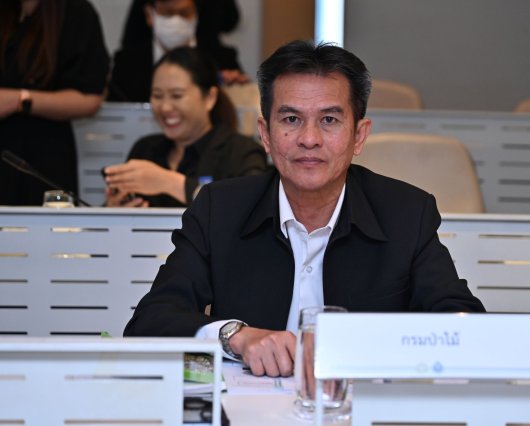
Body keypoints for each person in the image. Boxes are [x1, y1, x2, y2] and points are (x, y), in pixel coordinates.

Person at [124, 40, 485, 376]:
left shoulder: (406, 213)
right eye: (291, 119)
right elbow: (150, 321)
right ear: (265, 134)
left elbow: (464, 322)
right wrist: (235, 336)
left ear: (359, 135)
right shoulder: (220, 209)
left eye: (329, 120)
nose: (309, 139)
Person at [104, 46, 267, 208]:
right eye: (157, 95)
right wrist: (113, 209)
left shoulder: (242, 152)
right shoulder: (145, 149)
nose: (165, 107)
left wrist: (170, 183)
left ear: (210, 97)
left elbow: (249, 209)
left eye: (177, 95)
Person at [0, 0, 110, 206]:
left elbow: (90, 98)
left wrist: (19, 100)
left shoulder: (75, 13)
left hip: (45, 153)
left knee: (49, 218)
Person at [107, 0, 247, 103]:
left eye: (184, 13)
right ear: (149, 14)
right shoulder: (126, 63)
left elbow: (241, 111)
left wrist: (233, 90)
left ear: (196, 14)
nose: (176, 21)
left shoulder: (222, 60)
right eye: (168, 14)